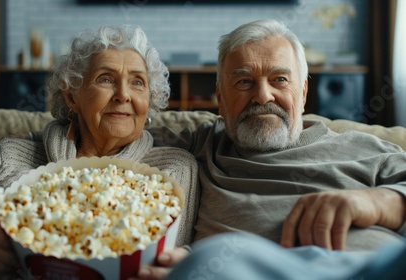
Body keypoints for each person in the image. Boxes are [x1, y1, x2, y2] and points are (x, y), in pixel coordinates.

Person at [0, 25, 199, 279]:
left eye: (138, 82)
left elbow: (180, 254)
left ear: (150, 99)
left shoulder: (173, 170)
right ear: (72, 95)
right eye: (106, 79)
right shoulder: (12, 154)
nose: (123, 94)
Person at [130, 19, 406, 279]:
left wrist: (381, 202)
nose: (263, 95)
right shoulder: (200, 143)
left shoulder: (365, 148)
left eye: (280, 79)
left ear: (304, 92)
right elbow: (112, 134)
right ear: (221, 99)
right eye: (244, 82)